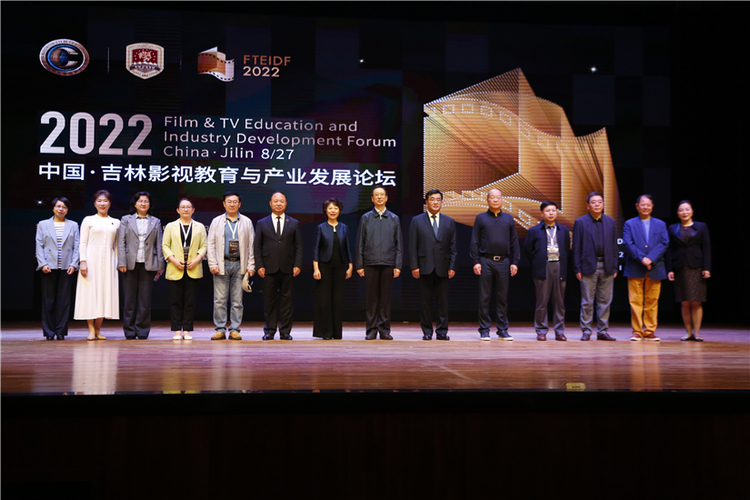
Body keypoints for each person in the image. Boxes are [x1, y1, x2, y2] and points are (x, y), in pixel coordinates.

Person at [469, 189, 520, 341]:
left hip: (504, 261)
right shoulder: (481, 218)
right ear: (487, 200)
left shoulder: (508, 218)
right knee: (484, 297)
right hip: (485, 261)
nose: (495, 200)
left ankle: (502, 329)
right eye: (492, 197)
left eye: (498, 197)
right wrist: (475, 261)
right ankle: (484, 329)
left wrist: (515, 262)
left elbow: (514, 241)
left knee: (502, 297)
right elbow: (475, 241)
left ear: (502, 200)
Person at [356, 186, 403, 340]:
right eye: (376, 195)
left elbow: (399, 244)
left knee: (385, 299)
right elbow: (360, 243)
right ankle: (371, 330)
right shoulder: (366, 218)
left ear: (387, 198)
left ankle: (384, 330)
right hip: (370, 263)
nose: (379, 197)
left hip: (388, 263)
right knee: (371, 299)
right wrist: (360, 265)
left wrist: (397, 265)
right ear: (372, 199)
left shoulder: (394, 218)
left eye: (382, 195)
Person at [409, 189, 457, 340]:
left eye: (438, 199)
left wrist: (452, 266)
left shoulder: (449, 221)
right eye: (432, 199)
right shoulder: (417, 220)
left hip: (444, 267)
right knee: (426, 303)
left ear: (441, 202)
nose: (435, 202)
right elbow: (412, 246)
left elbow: (454, 247)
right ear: (426, 202)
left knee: (443, 302)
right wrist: (414, 266)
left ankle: (442, 332)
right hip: (424, 266)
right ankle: (427, 331)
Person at [207, 192, 256, 340]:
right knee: (219, 300)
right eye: (229, 201)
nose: (232, 204)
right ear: (224, 204)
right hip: (222, 264)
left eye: (235, 202)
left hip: (240, 264)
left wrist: (251, 265)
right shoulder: (216, 221)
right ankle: (220, 329)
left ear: (239, 204)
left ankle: (235, 329)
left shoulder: (246, 221)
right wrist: (212, 263)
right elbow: (210, 244)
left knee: (237, 301)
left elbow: (251, 245)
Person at [255, 192, 303, 340]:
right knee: (269, 301)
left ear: (286, 203)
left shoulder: (293, 223)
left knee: (287, 301)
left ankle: (285, 331)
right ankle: (269, 331)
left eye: (281, 201)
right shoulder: (262, 223)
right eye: (275, 201)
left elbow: (299, 246)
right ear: (270, 203)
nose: (278, 204)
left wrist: (297, 264)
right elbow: (257, 246)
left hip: (288, 267)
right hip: (268, 268)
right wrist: (259, 265)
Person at [74, 190, 120, 340]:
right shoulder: (88, 220)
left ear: (110, 203)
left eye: (105, 200)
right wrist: (83, 261)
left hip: (109, 261)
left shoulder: (116, 222)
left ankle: (98, 329)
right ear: (94, 203)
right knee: (90, 293)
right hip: (91, 259)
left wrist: (117, 262)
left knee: (104, 294)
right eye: (99, 201)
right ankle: (90, 328)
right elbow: (82, 242)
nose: (102, 203)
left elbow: (117, 246)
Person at [117, 191, 164, 340]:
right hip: (129, 264)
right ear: (135, 204)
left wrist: (160, 265)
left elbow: (159, 244)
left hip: (148, 264)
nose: (143, 203)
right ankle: (129, 330)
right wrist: (121, 262)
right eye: (140, 201)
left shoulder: (155, 221)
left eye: (146, 201)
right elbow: (121, 242)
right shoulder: (126, 220)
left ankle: (142, 330)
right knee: (129, 300)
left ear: (149, 204)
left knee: (144, 300)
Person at [572, 192, 618, 341]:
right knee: (587, 301)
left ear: (603, 204)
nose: (597, 204)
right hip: (588, 266)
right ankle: (586, 331)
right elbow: (576, 247)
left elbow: (614, 246)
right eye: (593, 202)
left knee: (605, 301)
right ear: (587, 205)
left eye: (599, 202)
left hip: (607, 266)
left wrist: (615, 266)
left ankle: (602, 331)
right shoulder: (580, 222)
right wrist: (577, 268)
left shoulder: (610, 222)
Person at [623, 195, 669, 342]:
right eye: (642, 204)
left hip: (655, 267)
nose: (645, 207)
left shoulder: (660, 224)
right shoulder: (629, 224)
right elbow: (628, 243)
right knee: (635, 301)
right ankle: (637, 331)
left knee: (652, 301)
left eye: (648, 205)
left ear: (652, 207)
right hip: (635, 266)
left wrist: (651, 259)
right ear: (637, 206)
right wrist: (642, 258)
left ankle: (649, 331)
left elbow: (664, 242)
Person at [523, 201, 570, 341]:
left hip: (559, 267)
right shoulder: (534, 231)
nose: (551, 213)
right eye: (548, 211)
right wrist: (537, 262)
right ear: (542, 213)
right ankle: (541, 330)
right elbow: (527, 250)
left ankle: (559, 331)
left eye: (553, 210)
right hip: (543, 267)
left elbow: (566, 248)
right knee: (542, 302)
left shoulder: (564, 230)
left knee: (559, 302)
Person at [162, 198, 207, 341]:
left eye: (188, 207)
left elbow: (204, 245)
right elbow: (165, 246)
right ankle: (176, 330)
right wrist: (174, 260)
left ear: (193, 210)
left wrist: (197, 259)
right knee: (175, 302)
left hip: (193, 267)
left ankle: (187, 330)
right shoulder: (171, 226)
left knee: (189, 302)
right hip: (175, 267)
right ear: (178, 210)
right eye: (183, 207)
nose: (185, 209)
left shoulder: (200, 226)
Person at [35, 197, 79, 340]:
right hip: (48, 267)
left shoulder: (73, 225)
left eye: (64, 207)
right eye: (58, 206)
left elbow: (77, 246)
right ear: (53, 208)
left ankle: (61, 331)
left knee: (64, 301)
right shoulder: (43, 224)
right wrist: (43, 264)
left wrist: (74, 264)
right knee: (48, 300)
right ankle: (49, 332)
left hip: (67, 267)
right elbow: (39, 245)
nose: (61, 209)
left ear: (68, 210)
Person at [667, 200, 711, 342]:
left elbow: (707, 248)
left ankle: (697, 333)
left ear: (692, 211)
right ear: (677, 213)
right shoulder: (672, 228)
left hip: (697, 267)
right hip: (680, 267)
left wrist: (706, 268)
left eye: (687, 209)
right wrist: (670, 269)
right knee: (685, 302)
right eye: (681, 210)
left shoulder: (701, 227)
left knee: (696, 301)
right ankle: (688, 332)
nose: (684, 212)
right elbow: (669, 250)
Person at [312, 198, 354, 340]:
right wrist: (316, 268)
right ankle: (326, 332)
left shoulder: (344, 228)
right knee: (324, 300)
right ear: (325, 211)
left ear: (339, 210)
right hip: (324, 267)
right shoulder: (321, 227)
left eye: (335, 208)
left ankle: (336, 333)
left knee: (337, 300)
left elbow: (347, 248)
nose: (333, 211)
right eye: (330, 208)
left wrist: (350, 265)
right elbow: (316, 249)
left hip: (340, 267)